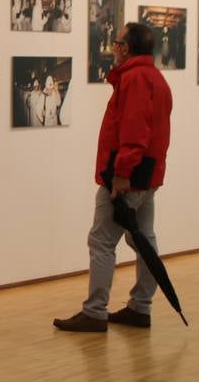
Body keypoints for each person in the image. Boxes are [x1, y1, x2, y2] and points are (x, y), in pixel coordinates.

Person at [55, 22, 172, 332]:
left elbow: (134, 132)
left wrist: (121, 175)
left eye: (116, 42)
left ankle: (95, 311)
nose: (112, 47)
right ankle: (140, 307)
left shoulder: (134, 79)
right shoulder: (156, 78)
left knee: (102, 241)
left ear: (125, 48)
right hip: (147, 175)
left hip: (127, 177)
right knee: (144, 240)